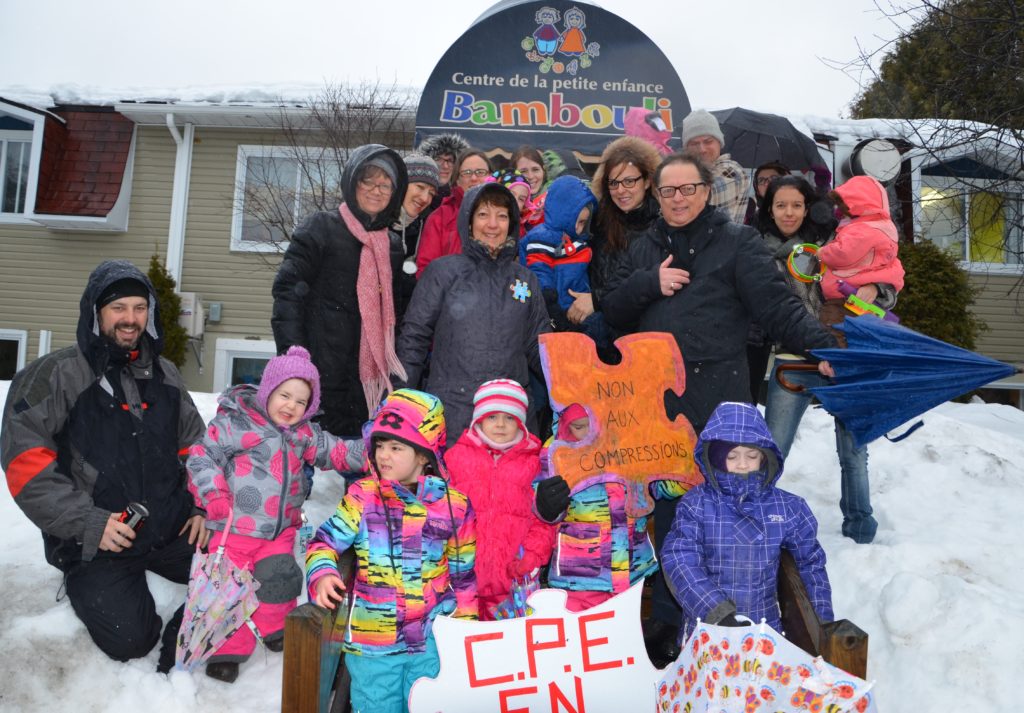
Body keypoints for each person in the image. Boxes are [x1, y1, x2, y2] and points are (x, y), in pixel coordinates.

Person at [601, 152, 838, 664]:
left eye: (688, 189)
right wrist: (650, 284)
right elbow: (613, 310)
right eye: (668, 191)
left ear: (707, 192)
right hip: (658, 411)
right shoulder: (646, 247)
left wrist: (823, 347)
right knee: (666, 513)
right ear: (657, 197)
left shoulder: (737, 244)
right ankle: (667, 619)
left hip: (716, 409)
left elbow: (778, 308)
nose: (679, 198)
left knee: (717, 513)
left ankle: (725, 613)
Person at [1, 260, 207, 667]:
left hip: (171, 528)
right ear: (96, 312)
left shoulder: (164, 374)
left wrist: (202, 504)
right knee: (131, 639)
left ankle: (182, 646)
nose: (130, 319)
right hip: (95, 540)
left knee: (237, 569)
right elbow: (26, 465)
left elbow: (197, 448)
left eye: (139, 308)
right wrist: (89, 523)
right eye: (118, 308)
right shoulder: (53, 375)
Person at [186, 346, 366, 683]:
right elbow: (201, 456)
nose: (291, 407)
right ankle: (227, 649)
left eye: (301, 402)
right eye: (285, 395)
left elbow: (338, 452)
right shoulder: (236, 423)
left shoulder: (304, 433)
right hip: (233, 530)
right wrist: (214, 495)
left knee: (279, 580)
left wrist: (376, 447)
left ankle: (274, 628)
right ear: (268, 391)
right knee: (230, 590)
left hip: (280, 531)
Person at [306, 389, 477, 712]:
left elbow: (465, 575)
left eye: (396, 447)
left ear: (425, 455)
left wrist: (464, 629)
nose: (384, 455)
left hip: (431, 643)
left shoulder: (453, 506)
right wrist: (323, 573)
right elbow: (323, 542)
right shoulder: (363, 496)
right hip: (374, 648)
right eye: (380, 446)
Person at [760, 176, 895, 545]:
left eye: (796, 205)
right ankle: (754, 520)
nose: (789, 212)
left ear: (808, 208)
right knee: (773, 450)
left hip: (844, 359)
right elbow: (769, 313)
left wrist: (877, 290)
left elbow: (884, 281)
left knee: (854, 453)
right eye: (780, 205)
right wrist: (813, 348)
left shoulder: (837, 243)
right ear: (769, 209)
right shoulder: (756, 252)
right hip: (793, 362)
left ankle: (860, 528)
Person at [661, 401, 833, 639]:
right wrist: (718, 612)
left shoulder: (788, 507)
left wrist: (821, 622)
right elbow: (680, 560)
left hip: (763, 631)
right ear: (716, 458)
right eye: (732, 456)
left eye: (752, 455)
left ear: (765, 457)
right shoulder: (696, 505)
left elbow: (810, 564)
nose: (743, 464)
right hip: (707, 629)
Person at [272, 144, 408, 441]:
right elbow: (288, 295)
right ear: (352, 182)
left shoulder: (393, 246)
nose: (377, 190)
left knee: (359, 477)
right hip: (319, 376)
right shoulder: (320, 227)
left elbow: (398, 312)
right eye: (368, 181)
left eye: (386, 184)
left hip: (369, 387)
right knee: (309, 470)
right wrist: (294, 359)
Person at [397, 182, 550, 440]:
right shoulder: (443, 272)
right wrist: (400, 403)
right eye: (483, 215)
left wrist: (573, 391)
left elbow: (541, 349)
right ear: (468, 222)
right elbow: (414, 339)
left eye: (502, 216)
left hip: (510, 418)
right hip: (454, 415)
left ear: (511, 224)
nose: (492, 224)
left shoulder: (525, 280)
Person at [533, 404, 688, 615]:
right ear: (565, 425)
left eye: (598, 426)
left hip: (631, 571)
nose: (590, 435)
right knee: (583, 639)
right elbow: (538, 505)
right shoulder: (555, 454)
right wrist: (546, 505)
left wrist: (685, 477)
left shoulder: (630, 447)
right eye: (580, 427)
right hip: (580, 576)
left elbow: (655, 487)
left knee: (625, 638)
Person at [445, 379, 554, 620]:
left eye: (510, 418)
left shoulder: (535, 463)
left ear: (521, 423)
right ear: (479, 419)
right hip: (463, 582)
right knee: (467, 650)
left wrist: (533, 555)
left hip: (513, 583)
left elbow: (545, 519)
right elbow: (440, 514)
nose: (501, 425)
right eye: (493, 417)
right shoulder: (455, 459)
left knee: (509, 651)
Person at [575, 136, 661, 341]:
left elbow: (647, 285)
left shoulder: (662, 226)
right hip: (597, 336)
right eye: (614, 182)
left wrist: (597, 300)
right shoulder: (596, 222)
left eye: (629, 181)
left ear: (647, 181)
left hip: (642, 337)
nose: (621, 190)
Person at [520, 175, 602, 339]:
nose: (579, 229)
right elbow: (539, 270)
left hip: (581, 305)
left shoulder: (579, 239)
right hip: (558, 309)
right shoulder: (543, 238)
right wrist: (550, 302)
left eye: (584, 223)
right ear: (564, 214)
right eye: (577, 222)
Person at [818, 175, 905, 301]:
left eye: (843, 204)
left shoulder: (861, 229)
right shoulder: (881, 228)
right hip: (843, 296)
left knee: (833, 317)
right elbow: (894, 270)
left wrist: (877, 289)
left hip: (844, 296)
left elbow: (844, 253)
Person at [416, 149, 492, 276]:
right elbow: (426, 268)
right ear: (457, 180)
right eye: (467, 173)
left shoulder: (504, 215)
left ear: (491, 176)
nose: (473, 178)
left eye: (480, 172)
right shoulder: (440, 217)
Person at [682, 109, 750, 223]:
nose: (702, 149)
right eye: (694, 143)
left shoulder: (731, 171)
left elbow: (700, 197)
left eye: (708, 141)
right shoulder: (691, 172)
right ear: (686, 148)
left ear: (720, 142)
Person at [393, 153, 440, 276]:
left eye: (431, 193)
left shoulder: (424, 228)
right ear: (401, 185)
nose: (425, 198)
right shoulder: (374, 222)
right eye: (420, 187)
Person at [416, 132, 470, 215]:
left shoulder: (461, 198)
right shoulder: (414, 195)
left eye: (450, 161)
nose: (445, 166)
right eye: (438, 159)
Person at [485, 168, 533, 237]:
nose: (515, 200)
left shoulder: (525, 227)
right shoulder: (489, 220)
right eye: (511, 194)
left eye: (521, 199)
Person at [512, 145, 548, 231]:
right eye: (523, 171)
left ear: (543, 171)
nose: (531, 176)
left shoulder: (552, 203)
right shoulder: (504, 204)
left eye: (535, 169)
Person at [743, 161, 789, 226]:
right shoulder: (754, 220)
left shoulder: (801, 213)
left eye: (773, 178)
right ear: (757, 190)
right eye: (761, 180)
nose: (767, 183)